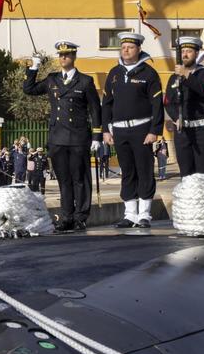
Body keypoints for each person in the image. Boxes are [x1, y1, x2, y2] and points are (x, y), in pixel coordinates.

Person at [23, 41, 101, 231]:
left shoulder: (85, 81)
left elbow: (95, 109)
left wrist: (97, 136)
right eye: (60, 55)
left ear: (74, 57)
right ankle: (66, 216)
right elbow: (29, 89)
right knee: (63, 179)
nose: (63, 58)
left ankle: (80, 216)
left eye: (66, 55)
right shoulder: (52, 79)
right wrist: (34, 66)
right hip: (57, 137)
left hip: (78, 138)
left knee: (80, 179)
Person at [101, 32, 164, 229]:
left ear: (138, 49)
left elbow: (157, 105)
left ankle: (144, 214)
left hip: (142, 130)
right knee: (127, 171)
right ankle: (130, 214)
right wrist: (105, 130)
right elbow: (107, 104)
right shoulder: (114, 73)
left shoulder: (148, 73)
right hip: (119, 131)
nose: (125, 50)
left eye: (130, 47)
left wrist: (154, 130)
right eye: (123, 46)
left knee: (144, 171)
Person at [164, 36, 204, 176]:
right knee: (185, 171)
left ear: (197, 53)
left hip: (202, 129)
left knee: (203, 171)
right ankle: (187, 198)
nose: (185, 55)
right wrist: (175, 117)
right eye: (182, 51)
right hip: (182, 130)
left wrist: (186, 75)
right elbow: (168, 102)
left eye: (189, 51)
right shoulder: (174, 77)